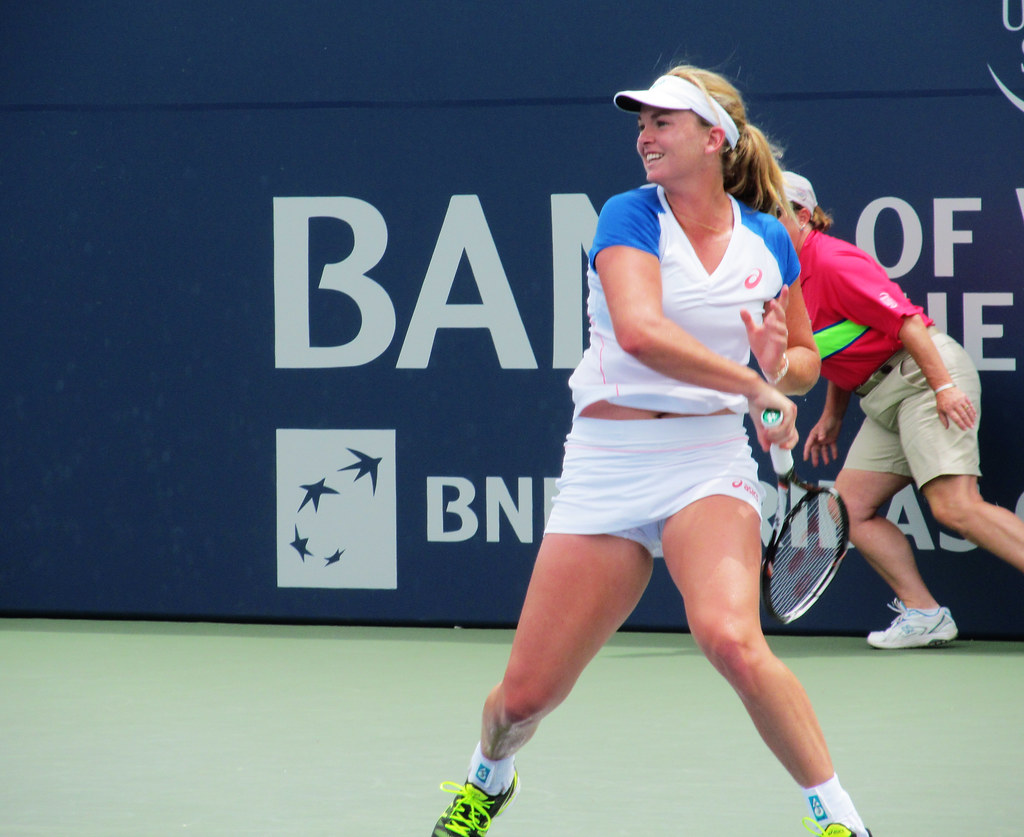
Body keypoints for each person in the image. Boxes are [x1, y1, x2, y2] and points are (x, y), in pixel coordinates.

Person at [430, 67, 872, 837]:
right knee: (523, 697)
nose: (645, 134)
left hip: (706, 459)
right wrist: (754, 384)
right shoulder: (629, 215)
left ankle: (840, 821)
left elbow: (802, 357)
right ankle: (488, 777)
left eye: (664, 122)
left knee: (733, 639)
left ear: (714, 138)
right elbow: (638, 331)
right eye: (641, 123)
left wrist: (779, 371)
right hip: (607, 462)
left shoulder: (768, 238)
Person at [780, 170, 1024, 649]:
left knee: (956, 507)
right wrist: (832, 415)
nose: (756, 227)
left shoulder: (831, 261)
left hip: (921, 378)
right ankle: (925, 613)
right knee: (849, 509)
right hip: (884, 397)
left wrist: (944, 388)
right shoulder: (787, 279)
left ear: (803, 217)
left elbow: (907, 323)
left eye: (769, 214)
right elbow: (844, 347)